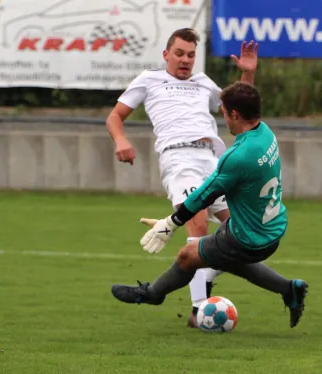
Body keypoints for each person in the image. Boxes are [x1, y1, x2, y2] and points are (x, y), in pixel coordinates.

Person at [111, 82, 309, 329]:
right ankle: (289, 289)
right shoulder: (266, 133)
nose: (223, 117)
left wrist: (170, 224)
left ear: (235, 114)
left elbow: (202, 196)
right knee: (229, 261)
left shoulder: (238, 156)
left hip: (247, 238)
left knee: (187, 257)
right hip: (273, 228)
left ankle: (152, 294)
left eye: (224, 112)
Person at [105, 28, 259, 328]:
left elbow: (238, 105)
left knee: (243, 236)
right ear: (166, 54)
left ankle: (195, 273)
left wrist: (248, 75)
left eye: (190, 55)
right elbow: (114, 116)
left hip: (213, 161)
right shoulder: (149, 80)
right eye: (179, 53)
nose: (185, 60)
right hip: (179, 160)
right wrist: (121, 140)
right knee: (198, 223)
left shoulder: (203, 83)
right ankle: (199, 309)